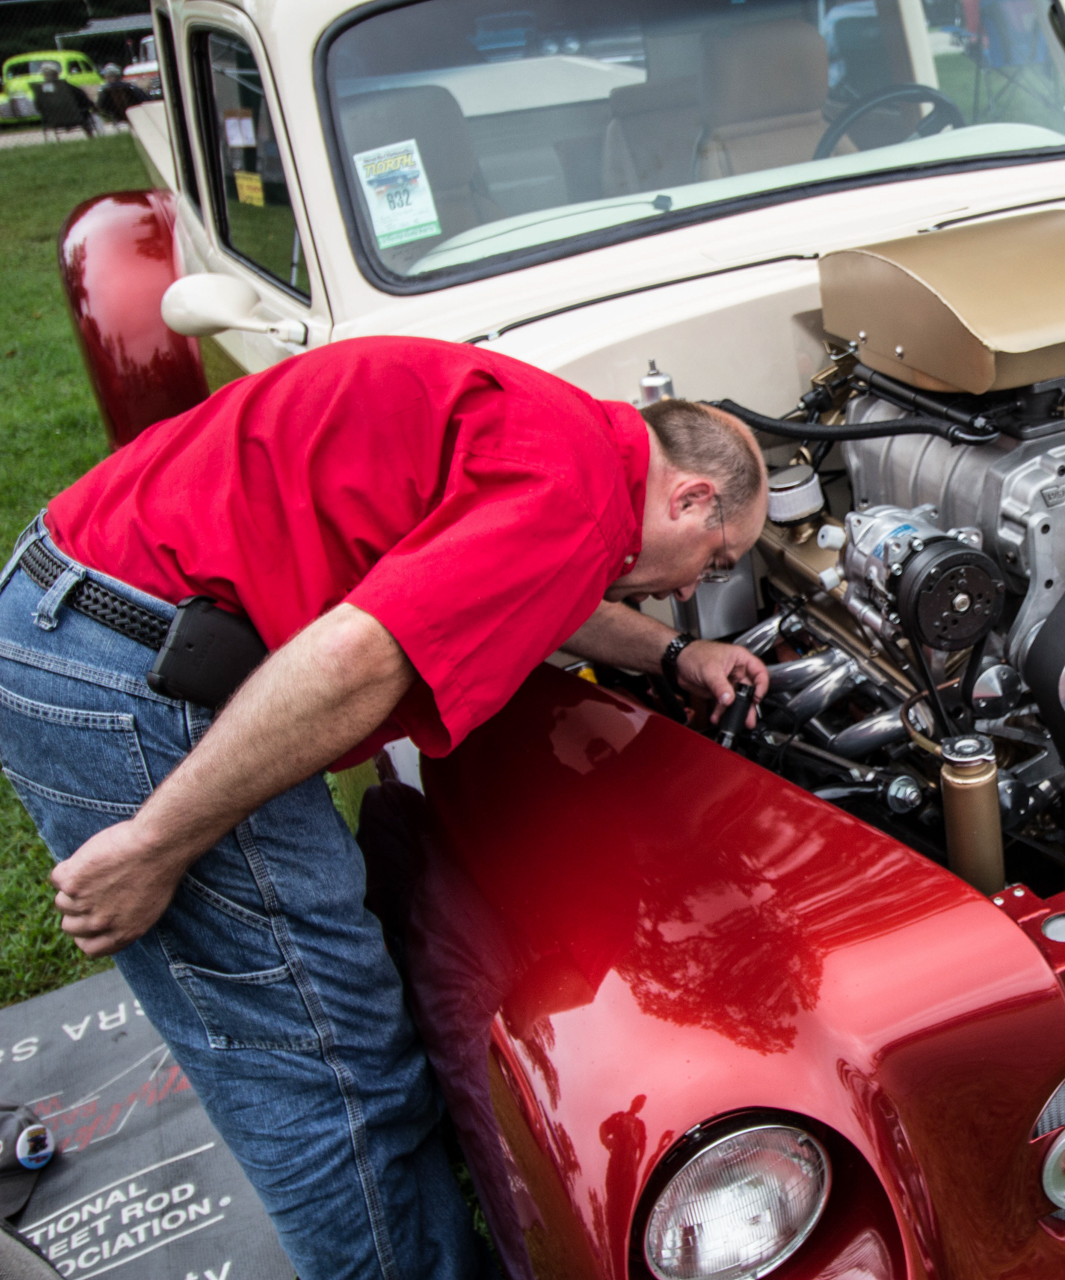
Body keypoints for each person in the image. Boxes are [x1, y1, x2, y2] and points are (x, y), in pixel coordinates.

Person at [0, 337, 770, 1278]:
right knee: (329, 1070)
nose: (698, 586)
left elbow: (527, 580)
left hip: (84, 601)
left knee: (341, 1030)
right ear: (691, 497)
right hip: (127, 671)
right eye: (714, 555)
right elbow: (358, 659)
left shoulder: (566, 444)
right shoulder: (573, 496)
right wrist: (156, 844)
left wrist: (667, 654)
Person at [32, 65, 94, 138]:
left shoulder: (41, 91)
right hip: (75, 117)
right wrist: (92, 106)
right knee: (86, 110)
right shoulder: (69, 87)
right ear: (57, 74)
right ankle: (90, 136)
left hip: (52, 119)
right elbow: (84, 100)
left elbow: (38, 106)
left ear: (44, 75)